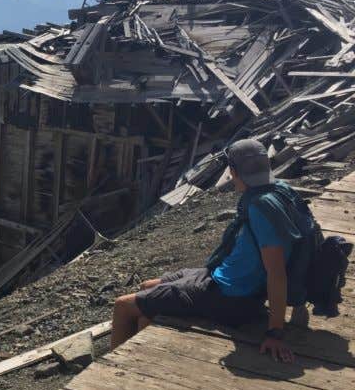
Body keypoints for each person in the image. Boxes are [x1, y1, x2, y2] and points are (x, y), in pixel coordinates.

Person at [110, 138, 299, 363]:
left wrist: (275, 332)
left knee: (123, 306)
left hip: (227, 297)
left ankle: (109, 371)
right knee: (146, 288)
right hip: (218, 277)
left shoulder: (260, 208)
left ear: (233, 171)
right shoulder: (281, 191)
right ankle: (132, 358)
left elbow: (277, 273)